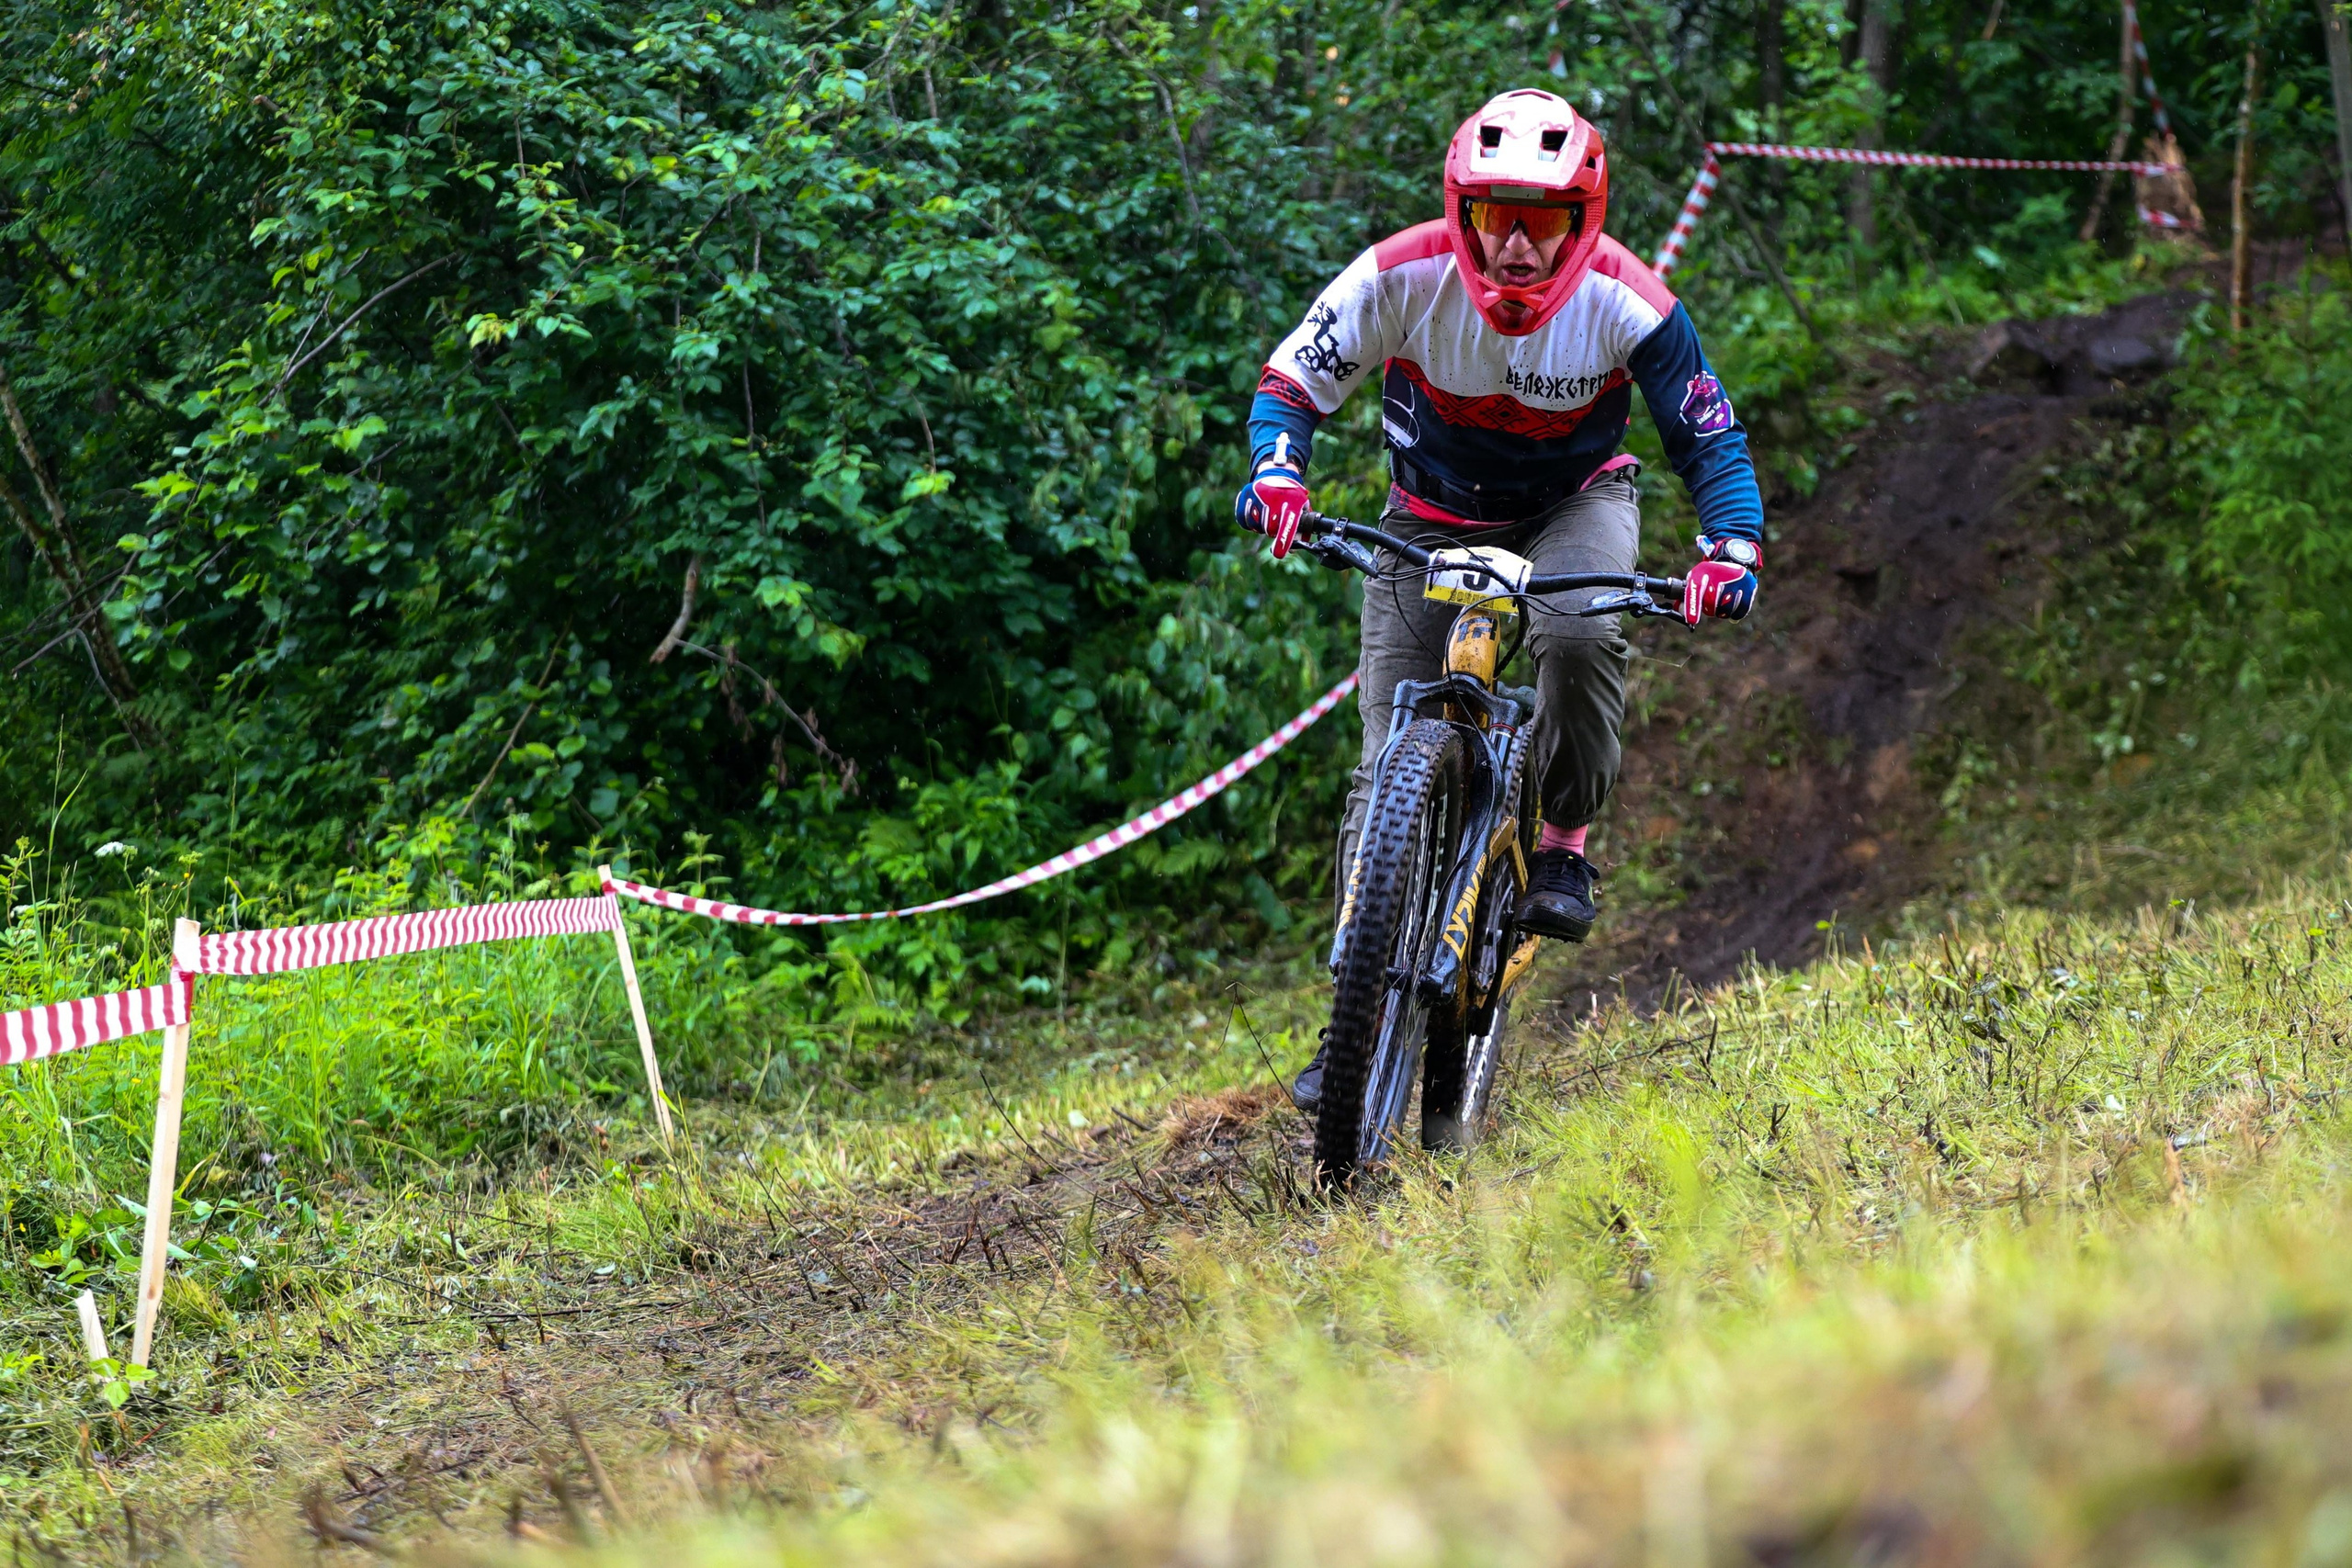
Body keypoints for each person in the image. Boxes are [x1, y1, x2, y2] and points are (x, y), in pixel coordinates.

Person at [1234, 88, 1764, 1111]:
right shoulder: (1398, 275)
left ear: (1582, 223)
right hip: (1426, 514)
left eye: (1542, 220)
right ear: (1460, 211)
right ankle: (1352, 1013)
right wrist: (1277, 473)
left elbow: (1709, 437)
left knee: (1580, 634)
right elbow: (1292, 383)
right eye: (1494, 217)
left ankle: (1562, 845)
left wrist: (1729, 549)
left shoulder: (1631, 303)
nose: (1516, 246)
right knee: (1384, 754)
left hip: (1573, 503)